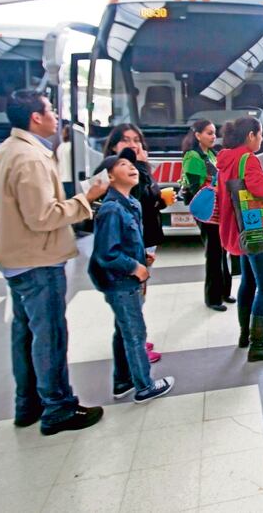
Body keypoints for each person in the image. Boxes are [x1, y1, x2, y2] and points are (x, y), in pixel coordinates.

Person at [0, 90, 107, 435]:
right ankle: (57, 408)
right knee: (50, 336)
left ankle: (28, 404)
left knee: (25, 334)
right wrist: (87, 199)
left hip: (16, 257)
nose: (56, 116)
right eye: (51, 110)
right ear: (35, 118)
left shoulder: (8, 151)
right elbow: (42, 216)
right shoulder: (31, 159)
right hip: (38, 259)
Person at [88, 148, 175, 403]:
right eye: (123, 164)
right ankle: (144, 386)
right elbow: (107, 254)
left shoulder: (132, 203)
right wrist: (133, 267)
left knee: (124, 330)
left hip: (129, 280)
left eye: (132, 164)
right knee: (135, 334)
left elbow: (129, 241)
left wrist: (143, 258)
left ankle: (122, 381)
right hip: (120, 282)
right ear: (109, 177)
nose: (132, 167)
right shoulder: (111, 209)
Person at [216, 117, 263, 362]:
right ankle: (257, 345)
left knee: (248, 282)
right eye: (260, 134)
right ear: (250, 135)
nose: (261, 139)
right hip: (256, 230)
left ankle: (246, 335)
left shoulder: (226, 159)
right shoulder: (248, 158)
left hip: (237, 229)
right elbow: (259, 188)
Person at [104, 124, 169, 366]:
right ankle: (134, 352)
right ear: (114, 146)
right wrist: (141, 167)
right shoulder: (118, 173)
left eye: (136, 140)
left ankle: (138, 340)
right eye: (125, 140)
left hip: (146, 242)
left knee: (139, 297)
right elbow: (139, 196)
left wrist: (160, 200)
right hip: (132, 247)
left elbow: (147, 200)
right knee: (131, 301)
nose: (132, 145)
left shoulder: (137, 168)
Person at [180, 120, 235, 311]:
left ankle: (224, 292)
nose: (213, 137)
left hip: (217, 209)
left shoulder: (211, 154)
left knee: (222, 250)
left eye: (214, 133)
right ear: (197, 135)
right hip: (206, 211)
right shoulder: (193, 157)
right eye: (209, 133)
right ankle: (212, 298)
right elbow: (195, 188)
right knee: (213, 252)